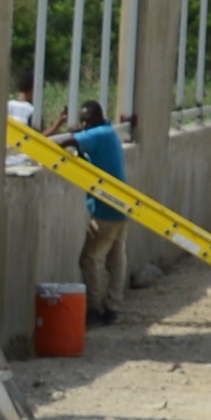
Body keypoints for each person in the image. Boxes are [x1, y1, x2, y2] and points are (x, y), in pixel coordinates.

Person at [67, 95, 139, 320]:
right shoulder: (108, 134)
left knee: (89, 259)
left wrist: (64, 134)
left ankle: (94, 309)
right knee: (116, 258)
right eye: (83, 121)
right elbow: (88, 157)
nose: (85, 125)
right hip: (120, 205)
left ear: (97, 118)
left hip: (106, 209)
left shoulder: (98, 134)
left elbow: (67, 142)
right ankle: (113, 306)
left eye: (87, 120)